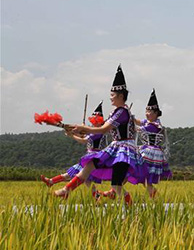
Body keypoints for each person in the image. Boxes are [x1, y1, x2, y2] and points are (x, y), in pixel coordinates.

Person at [54, 65, 144, 205]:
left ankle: (131, 209)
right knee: (89, 166)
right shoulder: (119, 112)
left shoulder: (121, 112)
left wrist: (83, 128)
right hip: (116, 147)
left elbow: (103, 129)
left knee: (117, 186)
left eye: (113, 95)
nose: (110, 98)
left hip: (123, 150)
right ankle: (67, 190)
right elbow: (99, 129)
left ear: (121, 96)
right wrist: (78, 130)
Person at [40, 102, 106, 200]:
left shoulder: (97, 132)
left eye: (96, 120)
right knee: (84, 179)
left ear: (100, 122)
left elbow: (83, 140)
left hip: (93, 157)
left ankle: (53, 183)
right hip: (90, 157)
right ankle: (97, 198)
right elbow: (83, 136)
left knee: (77, 175)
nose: (93, 122)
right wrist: (74, 132)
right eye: (93, 120)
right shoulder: (94, 131)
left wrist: (72, 135)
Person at [134, 89, 172, 198]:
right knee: (145, 179)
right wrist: (129, 116)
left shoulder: (154, 125)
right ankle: (156, 197)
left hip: (150, 153)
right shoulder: (149, 122)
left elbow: (137, 128)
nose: (147, 114)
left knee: (142, 175)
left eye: (149, 112)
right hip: (147, 150)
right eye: (146, 111)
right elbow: (138, 121)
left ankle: (156, 197)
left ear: (155, 114)